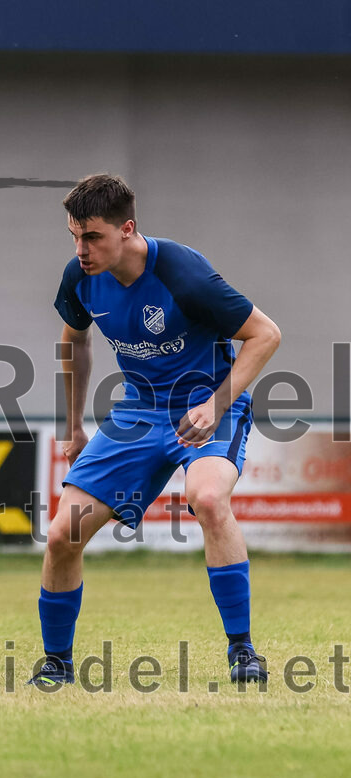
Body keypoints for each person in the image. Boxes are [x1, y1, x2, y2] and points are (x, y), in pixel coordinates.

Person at [30, 174, 281, 687]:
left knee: (208, 499)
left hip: (207, 404)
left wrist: (215, 404)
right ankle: (57, 665)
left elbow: (265, 334)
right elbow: (74, 340)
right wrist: (74, 425)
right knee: (61, 535)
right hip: (139, 411)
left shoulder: (182, 273)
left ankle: (243, 652)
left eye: (92, 237)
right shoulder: (80, 277)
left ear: (127, 229)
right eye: (74, 236)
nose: (81, 250)